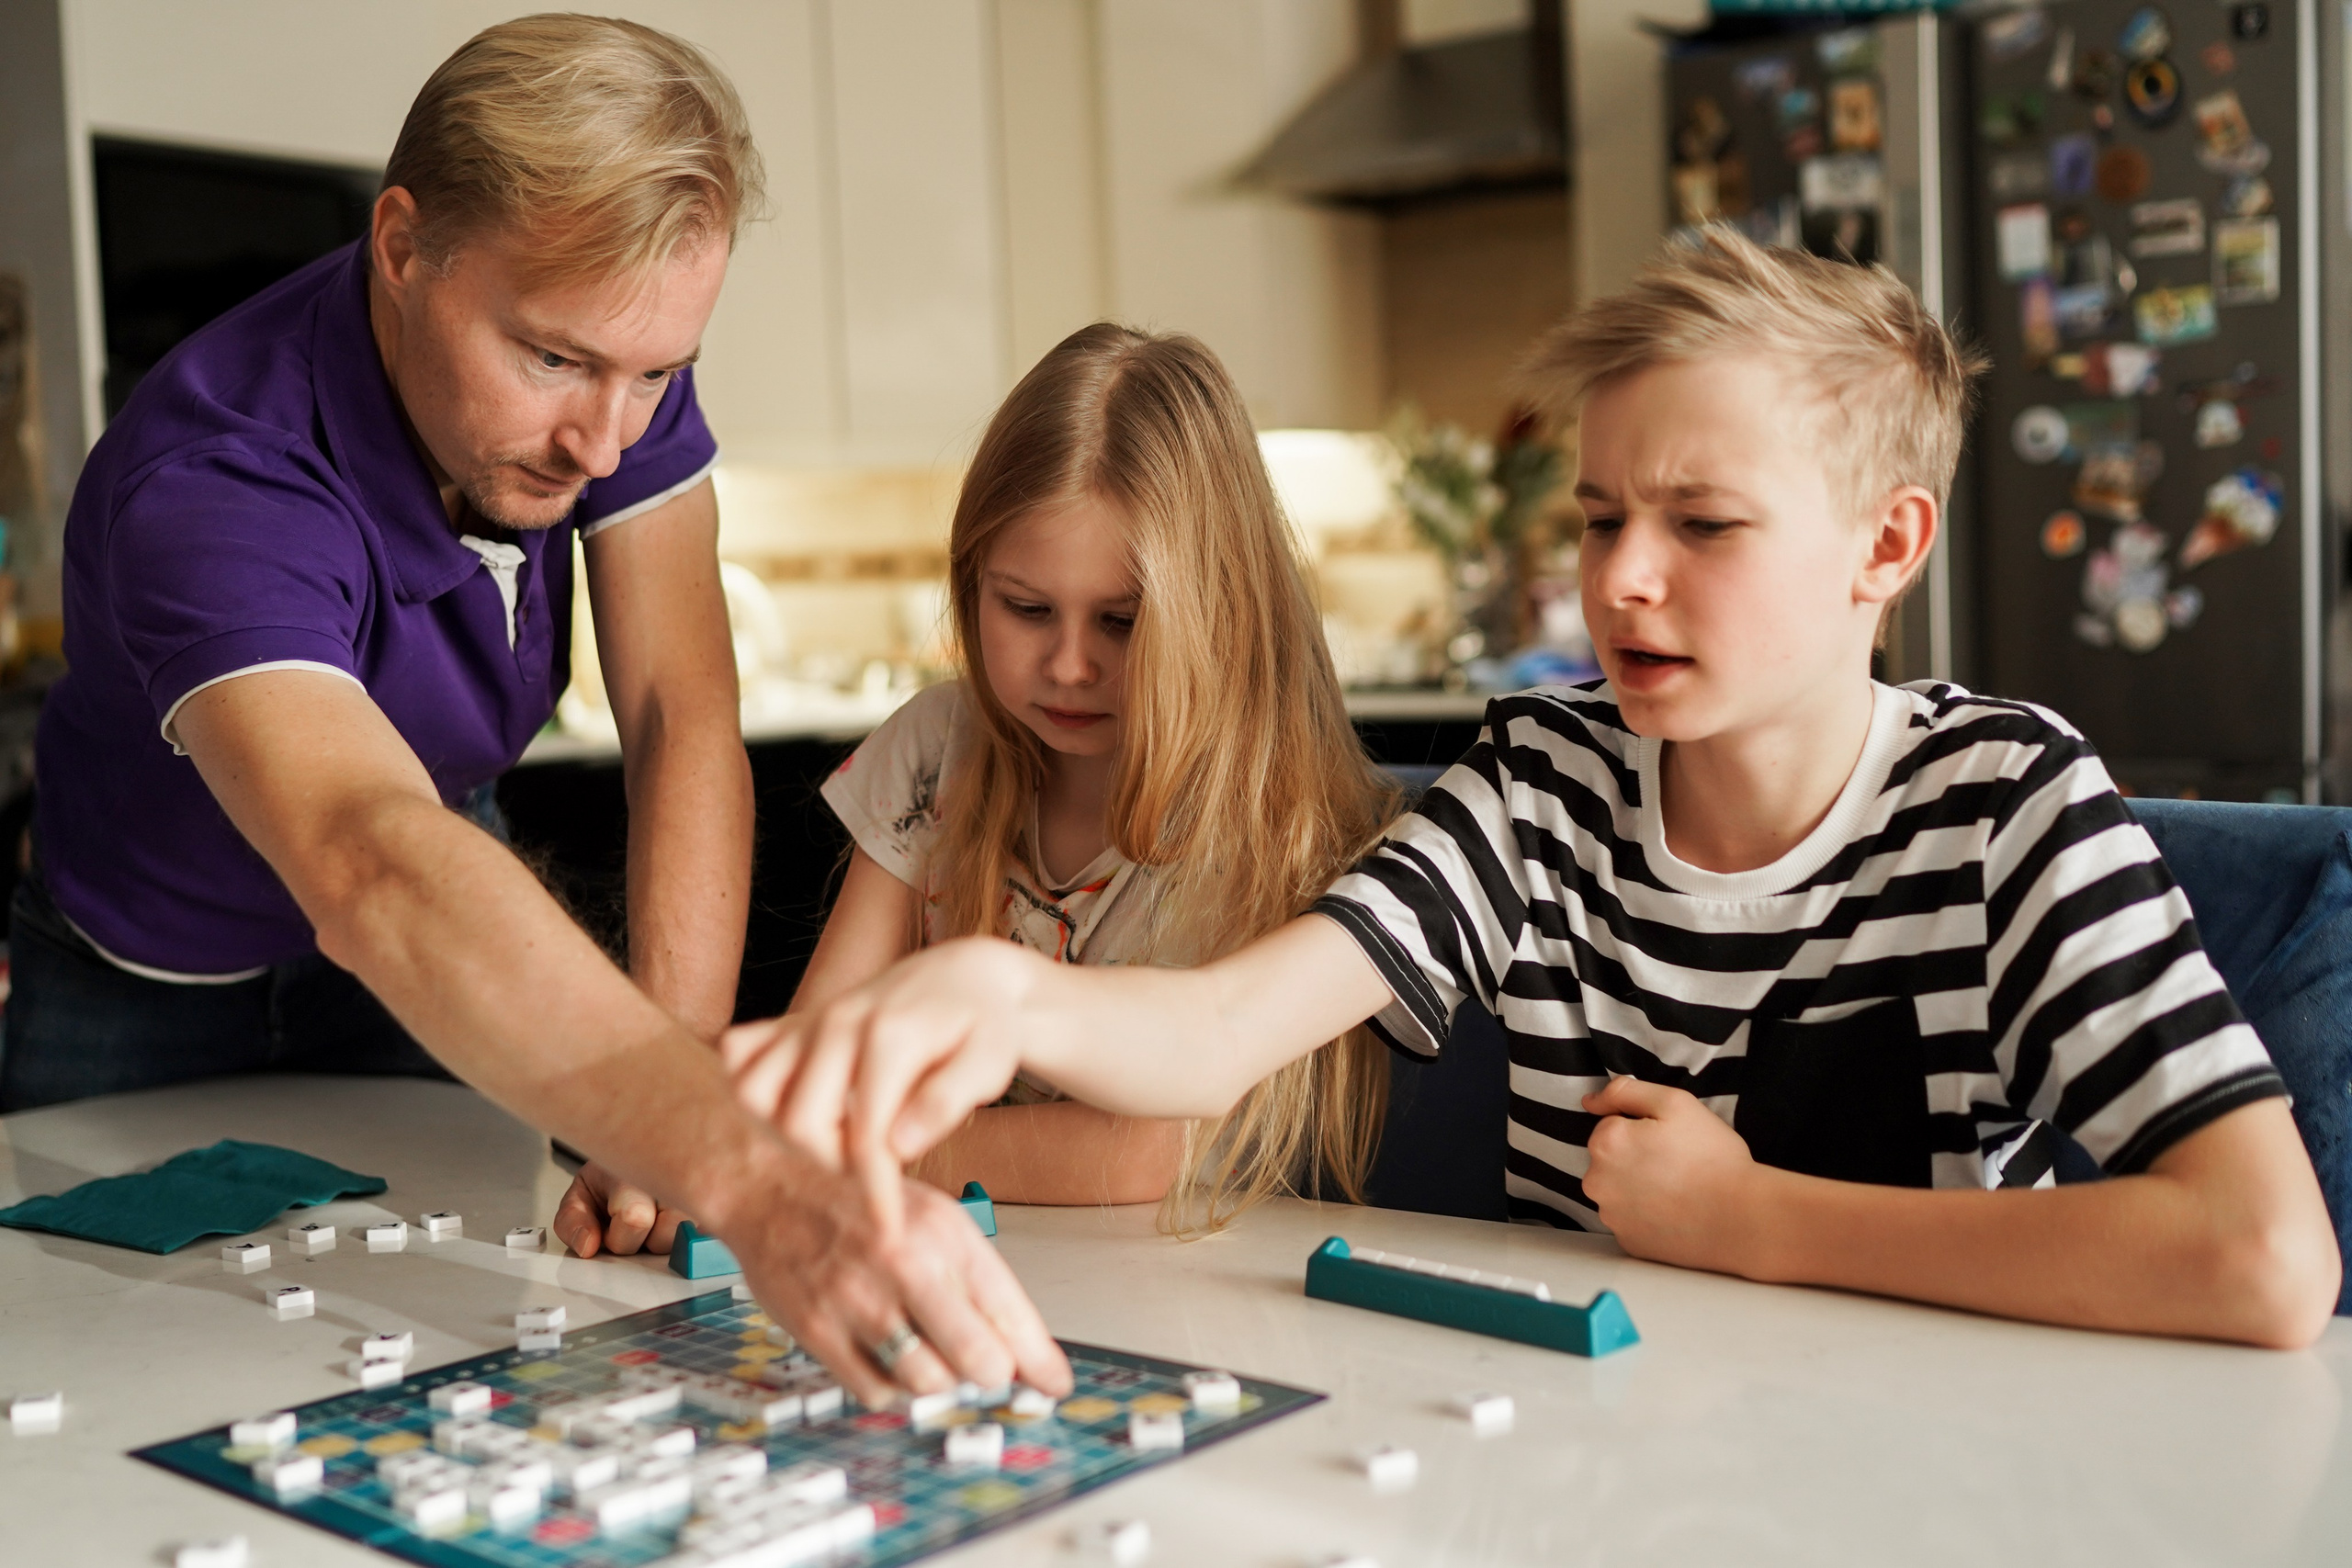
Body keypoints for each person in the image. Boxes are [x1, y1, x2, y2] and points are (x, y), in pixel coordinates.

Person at [721, 230, 2344, 1349]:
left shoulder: (2010, 800)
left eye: (1701, 527)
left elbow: (2263, 1259)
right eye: (1595, 518)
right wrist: (998, 991)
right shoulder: (1544, 773)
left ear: (1885, 546)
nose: (1622, 583)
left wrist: (1754, 1219)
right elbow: (1221, 1030)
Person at [11, 15, 1063, 1404]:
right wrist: (750, 1172)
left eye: (659, 374)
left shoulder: (610, 365)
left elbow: (681, 706)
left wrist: (667, 1107)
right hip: (146, 984)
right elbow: (371, 853)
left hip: (444, 916)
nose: (608, 439)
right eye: (554, 360)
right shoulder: (215, 476)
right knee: (115, 1376)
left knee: (455, 1341)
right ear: (403, 247)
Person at [729, 323, 1397, 1220]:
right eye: (1028, 608)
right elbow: (818, 1041)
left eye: (1121, 622)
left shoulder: (1256, 813)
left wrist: (846, 1141)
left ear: (1217, 611)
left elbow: (1129, 1158)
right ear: (970, 583)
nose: (1070, 665)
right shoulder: (936, 750)